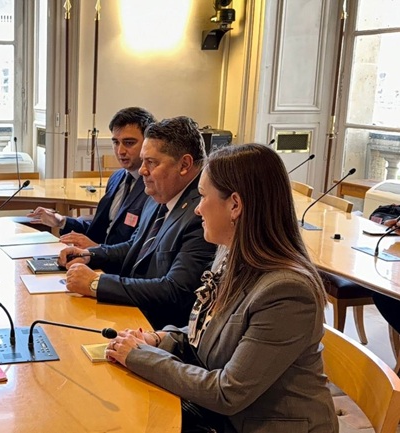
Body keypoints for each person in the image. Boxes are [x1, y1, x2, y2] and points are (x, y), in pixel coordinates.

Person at [105, 144, 338, 432]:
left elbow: (228, 393)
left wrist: (139, 356)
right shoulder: (230, 255)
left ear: (235, 205)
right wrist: (157, 339)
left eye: (203, 196)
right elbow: (208, 333)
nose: (198, 208)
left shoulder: (287, 292)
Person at [59, 116, 216, 329]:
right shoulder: (158, 195)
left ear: (184, 165)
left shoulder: (203, 212)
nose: (142, 170)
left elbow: (175, 290)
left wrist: (96, 284)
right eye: (143, 161)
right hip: (129, 310)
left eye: (151, 162)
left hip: (157, 328)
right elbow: (135, 246)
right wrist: (90, 255)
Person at [27, 107, 155, 248]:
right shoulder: (117, 178)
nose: (120, 151)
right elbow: (101, 229)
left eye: (129, 143)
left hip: (116, 261)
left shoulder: (154, 185)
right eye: (116, 142)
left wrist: (94, 250)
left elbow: (139, 247)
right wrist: (61, 221)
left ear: (147, 143)